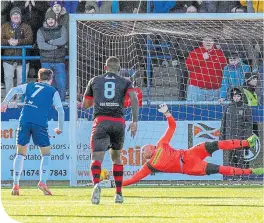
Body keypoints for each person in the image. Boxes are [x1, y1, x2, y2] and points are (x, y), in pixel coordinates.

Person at [123, 104, 263, 186]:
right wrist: (117, 183)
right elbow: (133, 179)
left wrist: (167, 113)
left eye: (143, 149)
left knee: (215, 143)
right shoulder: (149, 166)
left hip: (190, 153)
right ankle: (251, 171)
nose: (142, 151)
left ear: (151, 147)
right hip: (190, 167)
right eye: (142, 152)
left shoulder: (160, 144)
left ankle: (247, 142)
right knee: (220, 169)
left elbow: (172, 126)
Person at [82, 57, 139, 204]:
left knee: (96, 158)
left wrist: (98, 99)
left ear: (105, 67)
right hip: (118, 123)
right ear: (119, 68)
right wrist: (135, 122)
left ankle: (96, 184)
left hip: (101, 122)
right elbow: (134, 98)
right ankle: (119, 193)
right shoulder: (125, 81)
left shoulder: (94, 80)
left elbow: (85, 105)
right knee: (116, 157)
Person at [1, 68, 65, 196]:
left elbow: (14, 90)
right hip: (40, 123)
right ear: (51, 80)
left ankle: (15, 184)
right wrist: (60, 128)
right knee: (46, 154)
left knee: (20, 153)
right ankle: (42, 182)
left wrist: (4, 103)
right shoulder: (53, 91)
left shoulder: (30, 85)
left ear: (39, 78)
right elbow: (61, 111)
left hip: (24, 120)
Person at [37, 9, 68, 104]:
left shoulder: (62, 28)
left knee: (61, 83)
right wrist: (55, 46)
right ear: (46, 20)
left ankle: (61, 102)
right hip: (46, 61)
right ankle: (47, 103)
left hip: (59, 60)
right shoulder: (40, 30)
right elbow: (41, 45)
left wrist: (50, 42)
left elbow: (63, 40)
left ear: (55, 20)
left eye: (52, 19)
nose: (50, 20)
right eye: (49, 19)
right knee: (46, 84)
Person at [1, 7, 33, 96]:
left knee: (22, 82)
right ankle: (9, 102)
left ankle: (20, 101)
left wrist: (18, 42)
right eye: (14, 14)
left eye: (17, 14)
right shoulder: (4, 26)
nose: (16, 16)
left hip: (23, 60)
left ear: (21, 16)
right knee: (8, 81)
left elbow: (30, 40)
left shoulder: (26, 26)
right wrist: (8, 41)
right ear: (10, 16)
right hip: (8, 59)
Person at [185, 36, 227, 101]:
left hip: (215, 90)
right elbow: (188, 66)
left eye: (210, 40)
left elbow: (225, 70)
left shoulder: (219, 54)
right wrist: (202, 58)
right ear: (202, 42)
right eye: (206, 40)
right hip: (197, 89)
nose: (208, 42)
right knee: (194, 110)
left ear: (213, 42)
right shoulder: (195, 52)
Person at [220, 88, 253, 170]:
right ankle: (231, 175)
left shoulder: (246, 108)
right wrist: (222, 137)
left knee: (240, 157)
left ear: (241, 96)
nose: (236, 98)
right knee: (230, 157)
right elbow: (223, 123)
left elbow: (249, 124)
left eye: (238, 96)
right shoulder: (228, 107)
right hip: (229, 138)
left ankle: (240, 175)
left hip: (240, 137)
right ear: (232, 97)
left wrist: (247, 138)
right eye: (234, 96)